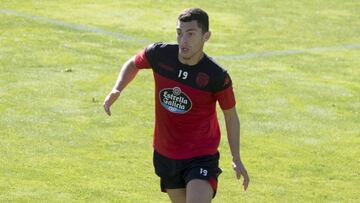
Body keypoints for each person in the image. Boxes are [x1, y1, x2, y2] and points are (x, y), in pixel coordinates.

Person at [103, 8, 249, 203]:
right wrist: (118, 88)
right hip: (166, 154)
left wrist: (236, 157)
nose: (183, 40)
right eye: (180, 33)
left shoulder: (216, 76)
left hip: (201, 156)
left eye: (191, 34)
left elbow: (231, 116)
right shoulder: (160, 55)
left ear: (206, 36)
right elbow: (133, 63)